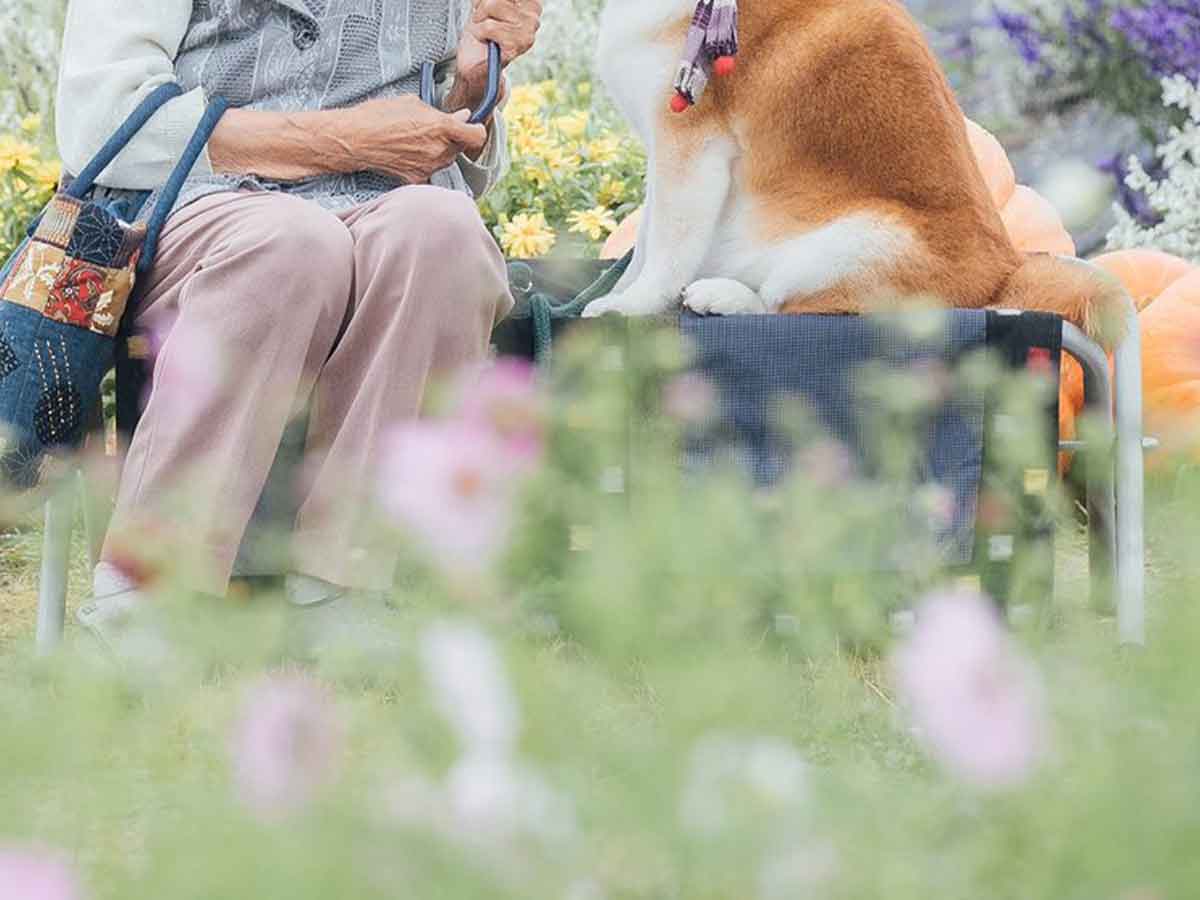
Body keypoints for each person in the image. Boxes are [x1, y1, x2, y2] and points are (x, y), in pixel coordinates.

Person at [55, 0, 541, 641]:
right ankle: (150, 589)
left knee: (445, 232)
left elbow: (450, 155)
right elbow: (105, 123)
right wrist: (344, 139)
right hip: (199, 206)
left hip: (381, 206)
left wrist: (470, 91)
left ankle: (355, 585)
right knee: (292, 243)